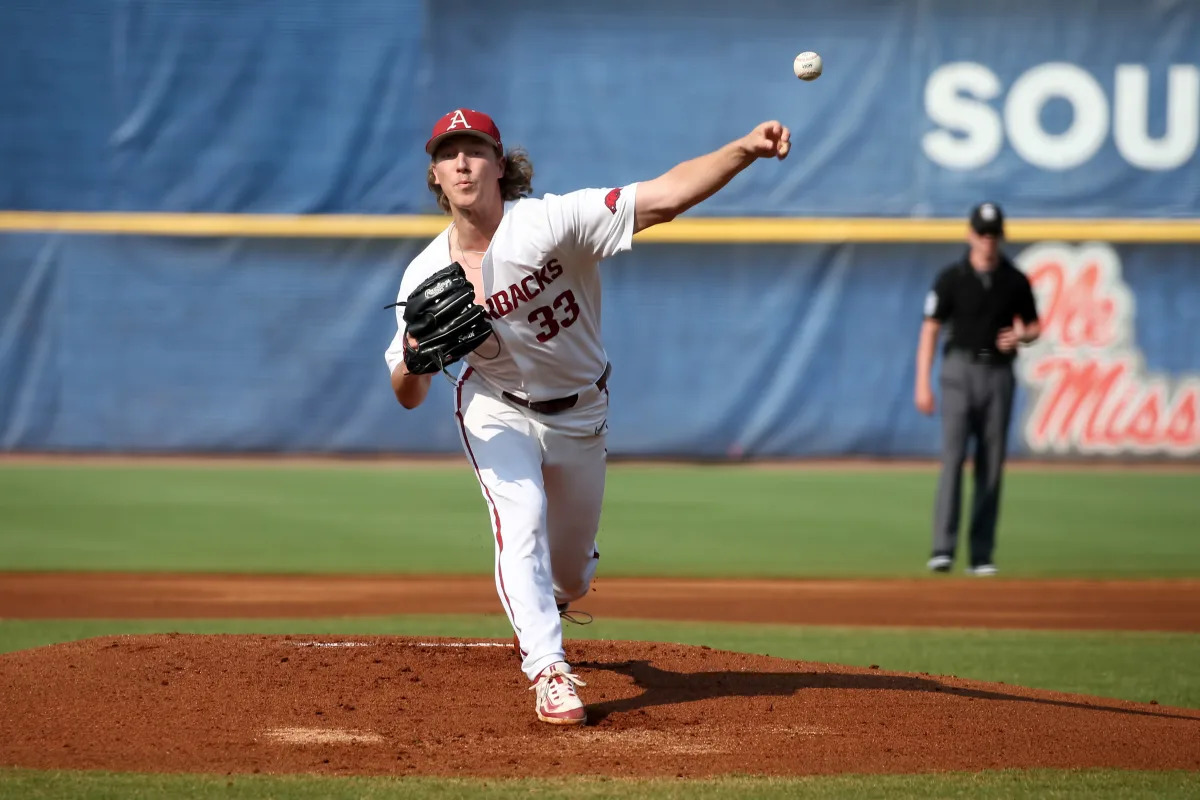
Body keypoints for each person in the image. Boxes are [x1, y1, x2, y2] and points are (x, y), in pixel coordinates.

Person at [385, 108, 791, 724]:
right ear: (435, 175)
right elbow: (408, 393)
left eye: (475, 150)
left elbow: (665, 197)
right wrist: (417, 359)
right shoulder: (424, 273)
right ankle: (549, 669)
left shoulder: (550, 222)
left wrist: (743, 149)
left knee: (570, 575)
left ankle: (551, 597)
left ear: (500, 165)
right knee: (520, 517)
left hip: (580, 412)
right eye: (448, 154)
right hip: (494, 406)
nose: (462, 163)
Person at [914, 202, 1041, 576]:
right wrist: (922, 382)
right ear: (971, 235)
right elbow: (930, 328)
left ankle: (981, 554)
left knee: (991, 464)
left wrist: (1021, 335)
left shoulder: (1015, 280)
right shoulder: (952, 278)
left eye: (994, 233)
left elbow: (1034, 326)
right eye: (982, 233)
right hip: (959, 370)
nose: (988, 240)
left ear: (1001, 236)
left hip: (998, 373)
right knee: (953, 459)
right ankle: (943, 548)